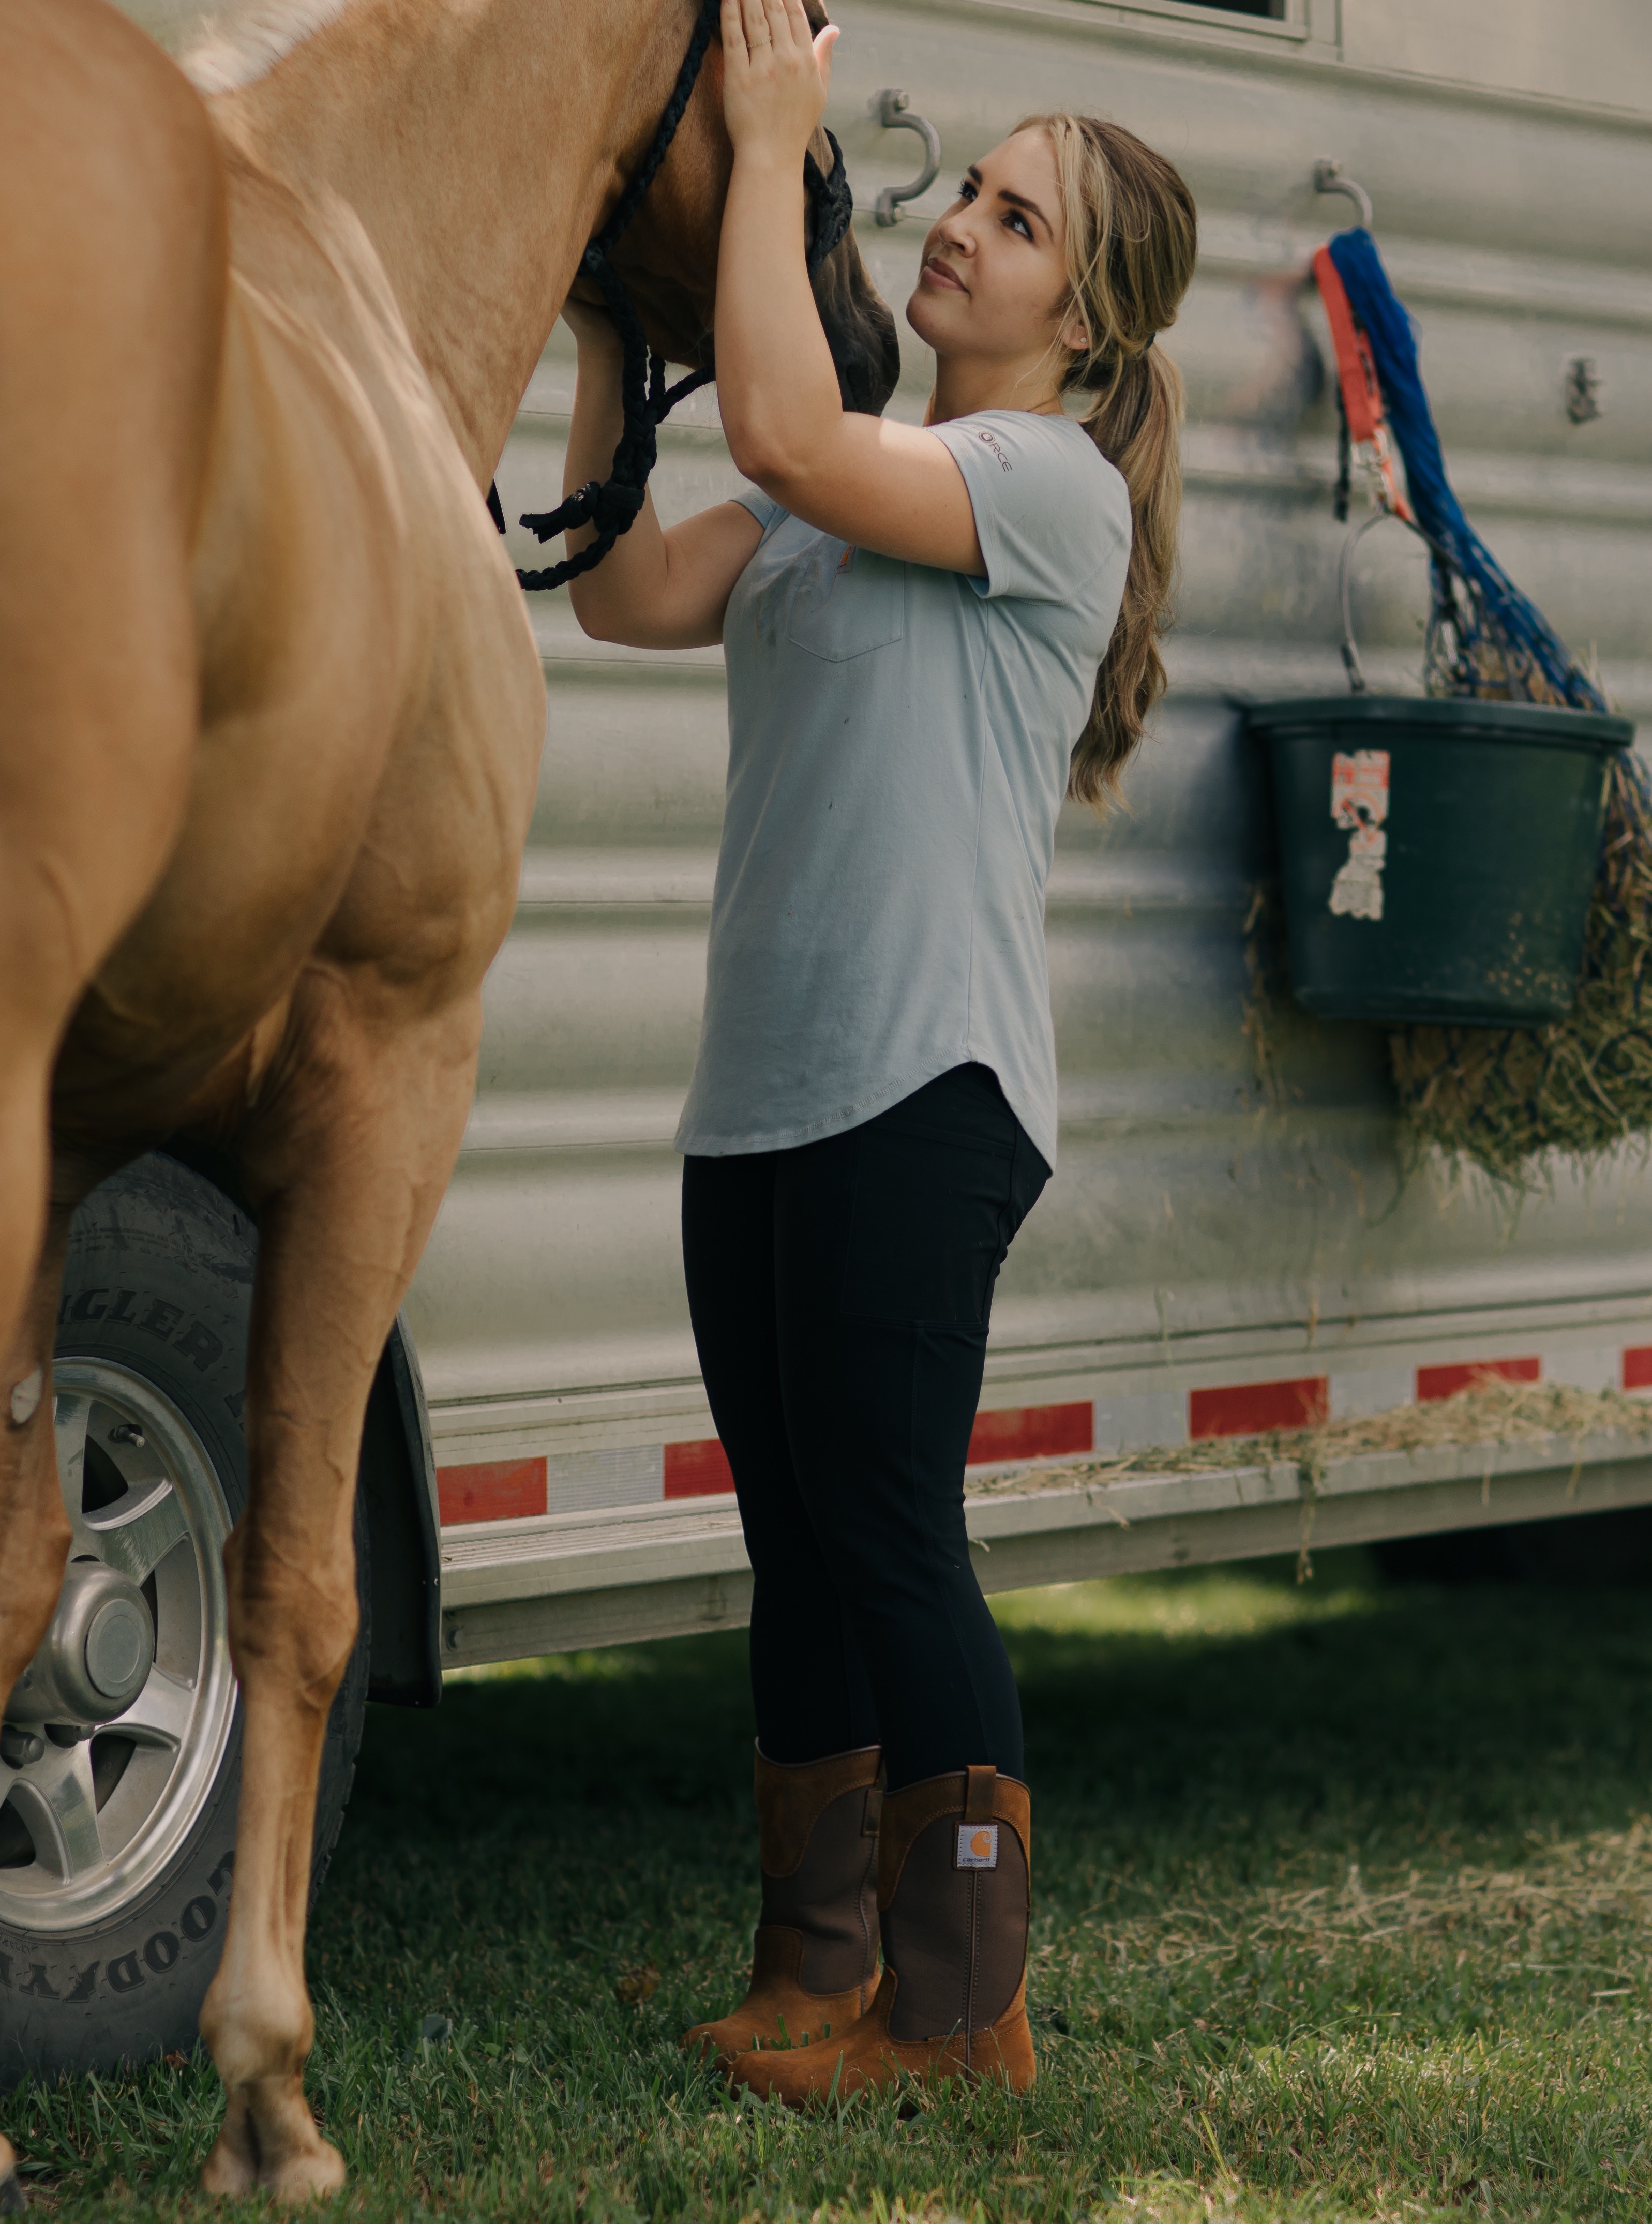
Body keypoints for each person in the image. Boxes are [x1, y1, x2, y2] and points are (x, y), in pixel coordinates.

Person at [557, 0, 1196, 2102]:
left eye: (1017, 223)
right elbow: (624, 590)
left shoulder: (1041, 487)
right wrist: (606, 333)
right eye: (972, 193)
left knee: (889, 1528)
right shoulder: (847, 490)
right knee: (798, 1532)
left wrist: (763, 142)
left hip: (925, 1090)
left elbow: (778, 434)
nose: (961, 229)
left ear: (1080, 322)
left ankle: (956, 2009)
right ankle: (811, 1963)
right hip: (764, 1087)